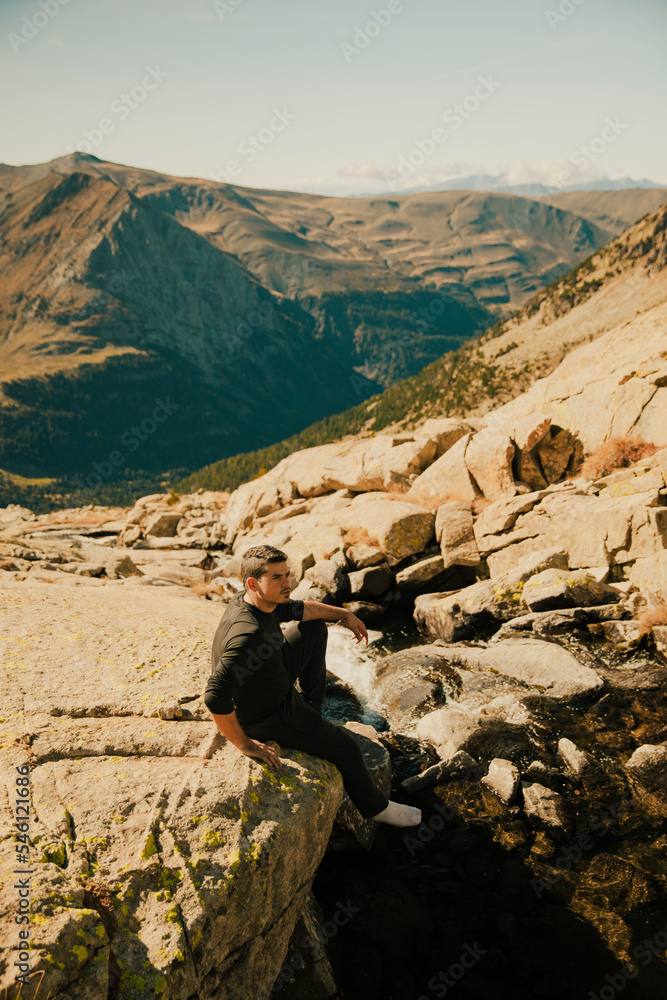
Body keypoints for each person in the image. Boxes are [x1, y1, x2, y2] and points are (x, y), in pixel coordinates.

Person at [203, 543, 421, 827]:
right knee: (348, 749)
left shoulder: (251, 600)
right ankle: (377, 808)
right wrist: (244, 744)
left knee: (315, 627)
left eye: (287, 574)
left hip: (271, 673)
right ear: (253, 583)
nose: (287, 583)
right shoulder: (248, 635)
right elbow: (215, 696)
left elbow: (301, 609)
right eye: (277, 578)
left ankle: (310, 708)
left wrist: (344, 615)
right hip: (269, 715)